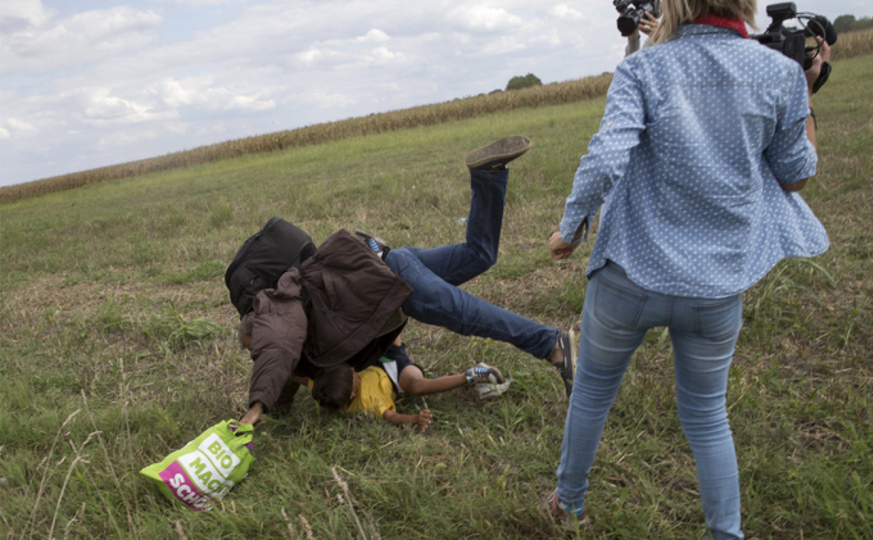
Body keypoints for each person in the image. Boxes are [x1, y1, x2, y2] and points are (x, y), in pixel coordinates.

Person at [545, 0, 830, 537]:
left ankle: (571, 506)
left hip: (628, 275)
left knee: (593, 393)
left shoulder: (644, 68)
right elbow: (796, 176)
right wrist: (806, 91)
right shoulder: (781, 73)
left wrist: (570, 227)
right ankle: (727, 533)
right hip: (716, 287)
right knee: (706, 415)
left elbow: (606, 158)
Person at [238, 136, 576, 426]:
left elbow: (276, 348)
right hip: (393, 263)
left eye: (256, 347)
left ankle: (550, 344)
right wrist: (274, 409)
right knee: (479, 255)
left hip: (396, 282)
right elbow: (283, 368)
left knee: (463, 313)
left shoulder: (279, 312)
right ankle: (487, 175)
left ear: (260, 326)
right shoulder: (300, 336)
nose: (257, 355)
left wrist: (256, 405)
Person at [310, 334, 507, 432]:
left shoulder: (321, 385)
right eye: (353, 377)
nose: (353, 371)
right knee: (416, 386)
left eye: (349, 369)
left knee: (374, 327)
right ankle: (472, 375)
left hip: (371, 358)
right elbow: (391, 416)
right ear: (352, 395)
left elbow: (300, 377)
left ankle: (383, 280)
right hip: (396, 374)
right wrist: (414, 419)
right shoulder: (367, 404)